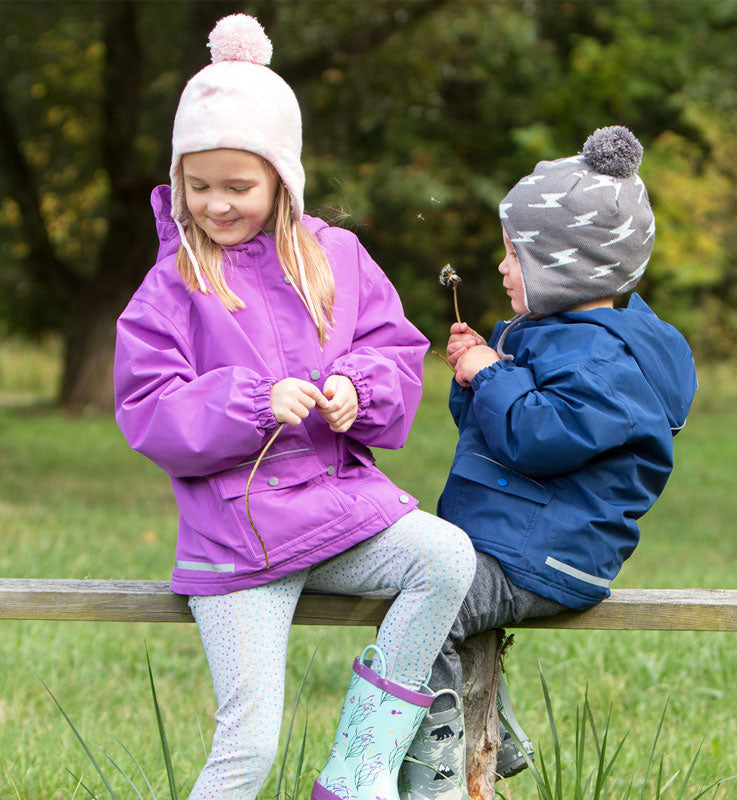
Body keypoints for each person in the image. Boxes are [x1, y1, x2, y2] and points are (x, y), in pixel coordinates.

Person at [113, 15, 476, 800]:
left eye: (237, 186)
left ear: (282, 176)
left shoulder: (336, 256)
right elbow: (147, 405)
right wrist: (250, 403)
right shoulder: (173, 283)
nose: (215, 205)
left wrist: (360, 388)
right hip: (237, 548)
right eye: (197, 186)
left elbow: (395, 350)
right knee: (250, 741)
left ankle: (361, 765)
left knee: (446, 556)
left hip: (338, 514)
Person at [398, 126, 698, 799]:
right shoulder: (554, 339)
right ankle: (492, 734)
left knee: (428, 605)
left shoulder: (602, 360)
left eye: (514, 257)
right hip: (515, 542)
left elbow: (536, 437)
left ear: (566, 267)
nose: (503, 269)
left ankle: (434, 774)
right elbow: (491, 433)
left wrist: (492, 376)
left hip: (547, 555)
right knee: (420, 575)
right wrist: (477, 375)